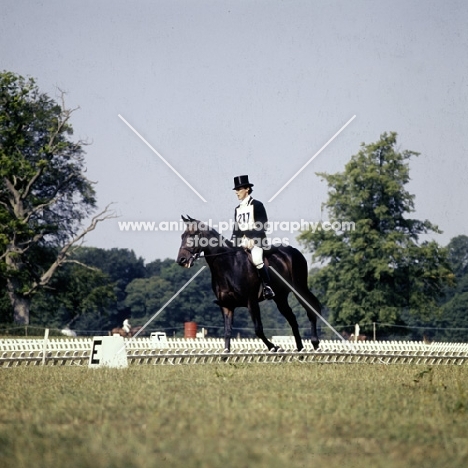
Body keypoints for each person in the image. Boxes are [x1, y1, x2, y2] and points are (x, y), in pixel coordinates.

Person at [231, 175, 275, 299]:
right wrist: (231, 243)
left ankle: (267, 287)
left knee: (256, 259)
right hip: (242, 242)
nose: (236, 193)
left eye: (239, 189)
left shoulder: (257, 205)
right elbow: (237, 229)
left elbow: (263, 224)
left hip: (257, 241)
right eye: (236, 190)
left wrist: (253, 240)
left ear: (247, 189)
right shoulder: (237, 209)